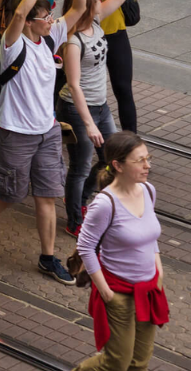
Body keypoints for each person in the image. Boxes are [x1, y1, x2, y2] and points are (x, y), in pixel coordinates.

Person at [0, 0, 89, 283]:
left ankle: (47, 257)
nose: (52, 20)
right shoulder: (12, 45)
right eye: (46, 16)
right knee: (10, 194)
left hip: (47, 132)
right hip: (15, 134)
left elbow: (79, 9)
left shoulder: (50, 38)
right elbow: (17, 13)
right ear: (30, 21)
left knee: (47, 195)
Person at [74, 132, 168, 371]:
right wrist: (105, 291)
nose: (148, 165)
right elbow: (85, 246)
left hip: (148, 289)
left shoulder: (148, 190)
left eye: (148, 158)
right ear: (118, 165)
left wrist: (159, 270)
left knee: (139, 363)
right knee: (116, 362)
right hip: (118, 292)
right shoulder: (106, 203)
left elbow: (149, 233)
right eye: (140, 160)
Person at [61, 0, 130, 236]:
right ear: (87, 5)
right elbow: (74, 84)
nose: (103, 1)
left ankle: (81, 199)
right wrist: (88, 123)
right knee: (79, 166)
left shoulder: (97, 21)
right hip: (78, 110)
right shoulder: (72, 40)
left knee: (109, 158)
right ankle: (74, 220)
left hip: (100, 107)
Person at [83, 0, 137, 134]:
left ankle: (131, 139)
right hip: (86, 37)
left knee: (123, 89)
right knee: (69, 85)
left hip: (114, 35)